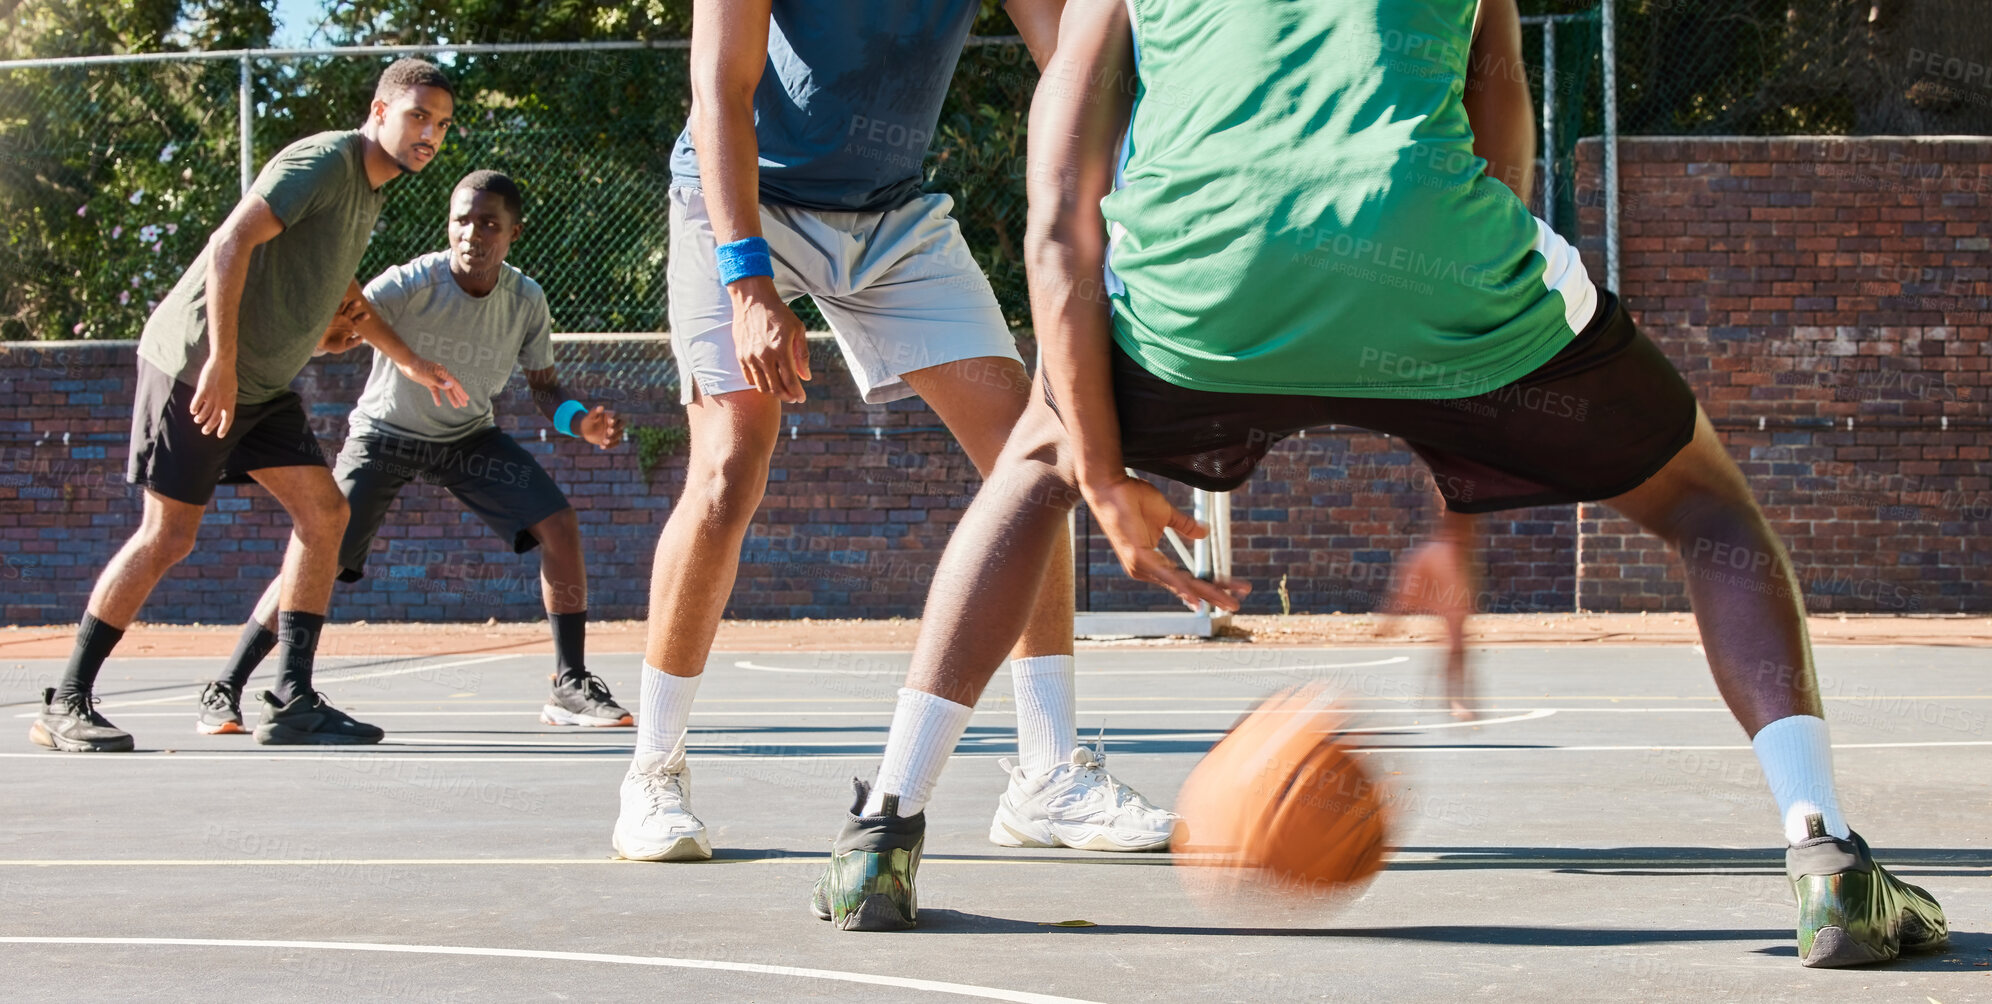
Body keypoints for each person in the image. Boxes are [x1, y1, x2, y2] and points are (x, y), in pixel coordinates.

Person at [809, 0, 1950, 969]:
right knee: (1705, 506)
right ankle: (1825, 853)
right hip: (1440, 257)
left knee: (1031, 466)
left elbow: (1058, 211)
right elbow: (1501, 126)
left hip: (1205, 277)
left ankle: (882, 832)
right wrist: (1467, 454)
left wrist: (1096, 471)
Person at [610, 0, 1183, 865]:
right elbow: (719, 89)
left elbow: (1078, 59)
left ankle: (1049, 777)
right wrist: (747, 284)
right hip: (739, 202)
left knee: (1035, 461)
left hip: (892, 217)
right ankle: (652, 771)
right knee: (730, 466)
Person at [30, 59, 466, 752]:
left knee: (326, 515)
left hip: (263, 386)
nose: (430, 134)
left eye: (442, 125)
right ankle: (67, 699)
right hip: (196, 366)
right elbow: (230, 239)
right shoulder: (325, 161)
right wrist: (221, 365)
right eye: (418, 116)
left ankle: (292, 698)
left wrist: (411, 360)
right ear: (379, 112)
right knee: (168, 536)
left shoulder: (367, 192)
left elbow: (339, 283)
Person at [198, 170, 632, 739]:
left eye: (488, 224)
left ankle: (570, 684)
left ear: (514, 232)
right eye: (461, 221)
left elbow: (545, 389)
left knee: (558, 523)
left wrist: (583, 423)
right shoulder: (410, 284)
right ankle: (225, 685)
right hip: (384, 435)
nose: (472, 234)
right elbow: (344, 318)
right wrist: (328, 332)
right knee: (319, 553)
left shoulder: (525, 300)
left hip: (466, 438)